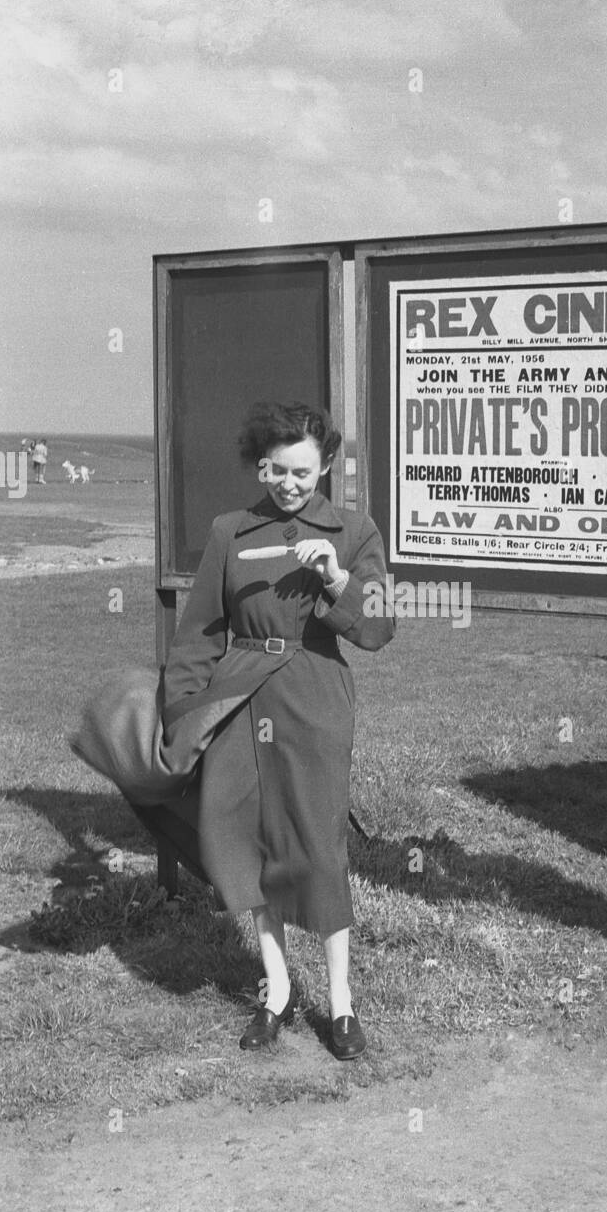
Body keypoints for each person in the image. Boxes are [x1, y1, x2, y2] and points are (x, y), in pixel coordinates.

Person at [156, 401, 395, 1057]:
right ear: (261, 467)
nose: (290, 485)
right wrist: (181, 712)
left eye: (304, 473)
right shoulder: (230, 531)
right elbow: (200, 633)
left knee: (320, 851)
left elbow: (378, 629)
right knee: (250, 851)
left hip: (315, 705)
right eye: (278, 471)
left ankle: (342, 1005)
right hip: (238, 704)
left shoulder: (354, 531)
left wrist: (337, 579)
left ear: (325, 469)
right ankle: (279, 992)